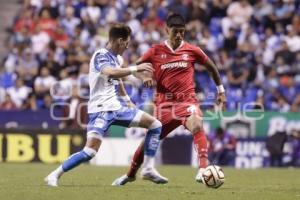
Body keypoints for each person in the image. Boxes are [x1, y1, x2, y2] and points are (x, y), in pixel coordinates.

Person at [44, 23, 168, 187]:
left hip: (118, 107)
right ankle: (54, 175)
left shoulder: (118, 59)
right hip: (101, 110)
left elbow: (117, 78)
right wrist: (135, 68)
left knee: (155, 125)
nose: (127, 46)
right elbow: (110, 72)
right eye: (127, 43)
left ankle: (148, 168)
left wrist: (127, 100)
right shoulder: (100, 55)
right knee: (89, 152)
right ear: (120, 41)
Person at [112, 13, 226, 186]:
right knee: (147, 143)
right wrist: (144, 77)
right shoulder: (155, 50)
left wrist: (221, 91)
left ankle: (203, 168)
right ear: (167, 30)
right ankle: (130, 174)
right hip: (164, 106)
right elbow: (135, 67)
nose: (179, 35)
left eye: (182, 32)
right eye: (176, 32)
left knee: (197, 124)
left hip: (187, 102)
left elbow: (212, 68)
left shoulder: (192, 50)